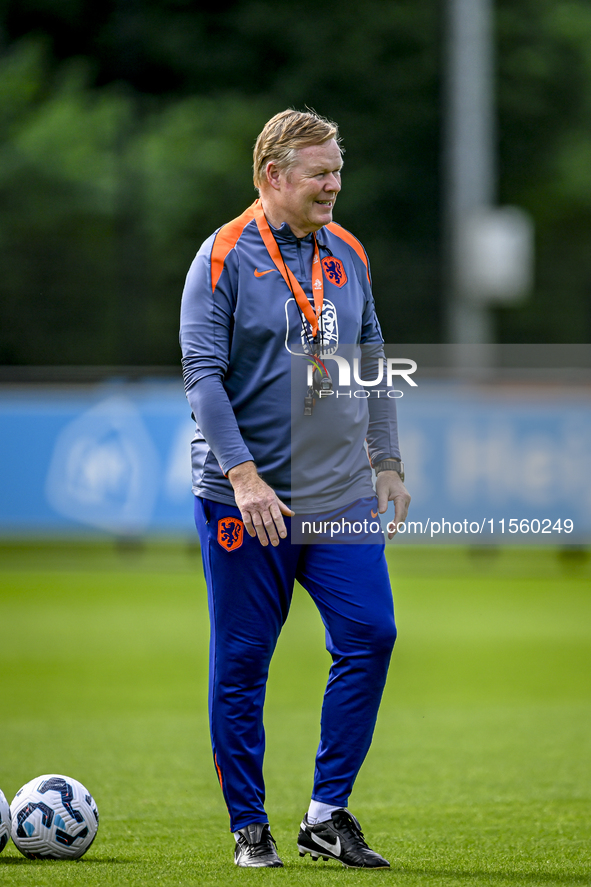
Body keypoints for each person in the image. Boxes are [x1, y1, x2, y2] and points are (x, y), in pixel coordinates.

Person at [180, 109, 410, 869]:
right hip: (245, 498)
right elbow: (202, 377)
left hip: (337, 490)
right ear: (272, 176)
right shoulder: (220, 257)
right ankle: (250, 824)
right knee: (243, 661)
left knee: (371, 633)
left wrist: (386, 461)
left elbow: (370, 353)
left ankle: (324, 812)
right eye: (319, 172)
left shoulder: (347, 251)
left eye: (337, 170)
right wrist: (243, 477)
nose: (333, 184)